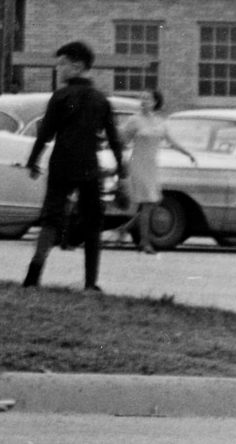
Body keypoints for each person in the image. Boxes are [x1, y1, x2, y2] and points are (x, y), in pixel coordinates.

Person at [22, 41, 125, 291]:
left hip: (61, 164)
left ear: (77, 66)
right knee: (93, 221)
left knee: (50, 218)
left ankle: (33, 276)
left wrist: (33, 160)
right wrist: (121, 169)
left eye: (62, 64)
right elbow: (113, 138)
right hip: (89, 166)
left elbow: (45, 133)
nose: (59, 69)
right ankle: (91, 282)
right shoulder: (101, 100)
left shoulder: (60, 96)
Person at [122, 91, 196, 254]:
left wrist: (187, 153)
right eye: (141, 98)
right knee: (148, 202)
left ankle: (126, 228)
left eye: (147, 99)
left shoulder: (161, 122)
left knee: (155, 201)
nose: (143, 101)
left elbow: (171, 141)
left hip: (152, 166)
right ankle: (145, 242)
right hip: (138, 164)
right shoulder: (134, 120)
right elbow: (122, 140)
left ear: (155, 102)